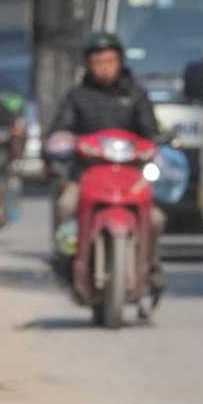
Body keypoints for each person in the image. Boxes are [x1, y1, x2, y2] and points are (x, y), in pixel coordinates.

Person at [47, 31, 166, 291]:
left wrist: (155, 145)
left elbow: (151, 133)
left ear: (120, 62)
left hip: (131, 176)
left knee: (156, 218)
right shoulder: (77, 96)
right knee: (66, 206)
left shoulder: (136, 95)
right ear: (88, 65)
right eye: (98, 62)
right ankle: (65, 263)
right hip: (86, 173)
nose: (104, 68)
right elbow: (60, 131)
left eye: (110, 61)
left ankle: (152, 266)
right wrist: (61, 147)